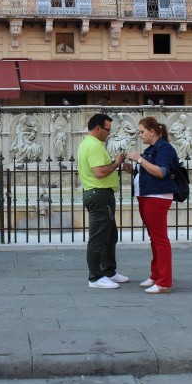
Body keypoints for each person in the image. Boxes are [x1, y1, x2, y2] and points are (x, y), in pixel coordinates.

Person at [76, 113, 130, 289]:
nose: (109, 133)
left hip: (99, 194)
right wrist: (117, 163)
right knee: (98, 238)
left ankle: (109, 271)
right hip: (98, 195)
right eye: (107, 129)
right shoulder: (94, 146)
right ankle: (96, 277)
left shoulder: (88, 144)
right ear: (98, 128)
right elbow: (99, 172)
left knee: (109, 236)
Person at [127, 117, 179, 294]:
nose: (140, 135)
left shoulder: (164, 148)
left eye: (142, 131)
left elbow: (161, 172)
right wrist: (132, 169)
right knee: (154, 238)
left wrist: (140, 160)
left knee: (160, 239)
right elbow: (148, 172)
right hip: (148, 196)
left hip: (157, 197)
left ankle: (164, 281)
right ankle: (156, 275)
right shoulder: (152, 149)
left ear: (152, 131)